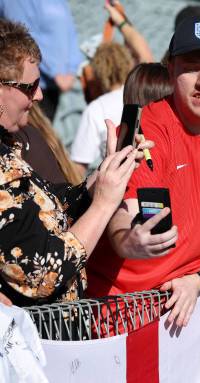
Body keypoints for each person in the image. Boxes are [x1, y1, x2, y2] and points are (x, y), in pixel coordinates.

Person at [87, 15, 200, 329]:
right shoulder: (147, 127)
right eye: (191, 67)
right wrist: (129, 242)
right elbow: (124, 209)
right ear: (172, 69)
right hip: (118, 309)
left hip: (178, 313)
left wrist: (199, 279)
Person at [0, 20, 149, 306]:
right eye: (30, 87)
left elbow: (48, 206)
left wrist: (105, 174)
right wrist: (104, 204)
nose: (40, 95)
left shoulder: (8, 144)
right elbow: (43, 273)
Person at [0, 0, 82, 120]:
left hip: (61, 82)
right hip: (33, 86)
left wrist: (72, 68)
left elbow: (70, 30)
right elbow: (24, 39)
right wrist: (56, 73)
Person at [70, 43, 134, 176]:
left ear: (99, 72)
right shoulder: (140, 93)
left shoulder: (97, 108)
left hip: (117, 181)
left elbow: (79, 165)